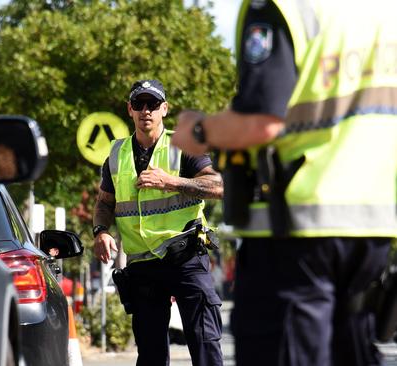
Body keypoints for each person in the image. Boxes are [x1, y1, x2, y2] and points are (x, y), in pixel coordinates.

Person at [171, 2, 397, 365]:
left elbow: (261, 121)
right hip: (373, 227)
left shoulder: (285, 7)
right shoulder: (381, 12)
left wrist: (198, 130)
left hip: (296, 233)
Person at [93, 79, 224, 366]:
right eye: (139, 104)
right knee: (150, 353)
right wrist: (101, 231)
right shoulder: (116, 156)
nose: (146, 111)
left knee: (205, 344)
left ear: (164, 109)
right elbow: (104, 202)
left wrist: (171, 182)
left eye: (152, 104)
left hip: (186, 257)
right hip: (143, 265)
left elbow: (218, 186)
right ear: (130, 110)